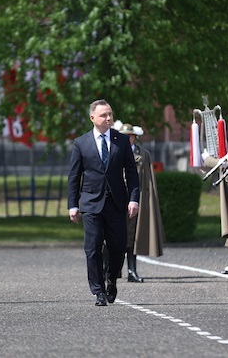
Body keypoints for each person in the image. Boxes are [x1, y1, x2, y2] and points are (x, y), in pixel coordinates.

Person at [68, 99, 140, 306]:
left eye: (110, 114)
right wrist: (73, 205)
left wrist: (133, 199)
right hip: (91, 204)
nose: (108, 118)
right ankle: (98, 290)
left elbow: (131, 173)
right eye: (103, 115)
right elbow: (74, 177)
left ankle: (111, 279)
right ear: (93, 118)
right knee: (93, 247)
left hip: (117, 203)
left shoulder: (121, 141)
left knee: (117, 247)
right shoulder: (81, 143)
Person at [116, 122, 165, 282]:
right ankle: (112, 269)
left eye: (129, 136)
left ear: (134, 137)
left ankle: (132, 270)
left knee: (132, 236)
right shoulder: (112, 151)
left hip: (134, 199)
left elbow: (148, 180)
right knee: (111, 235)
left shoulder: (142, 154)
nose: (127, 138)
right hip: (115, 199)